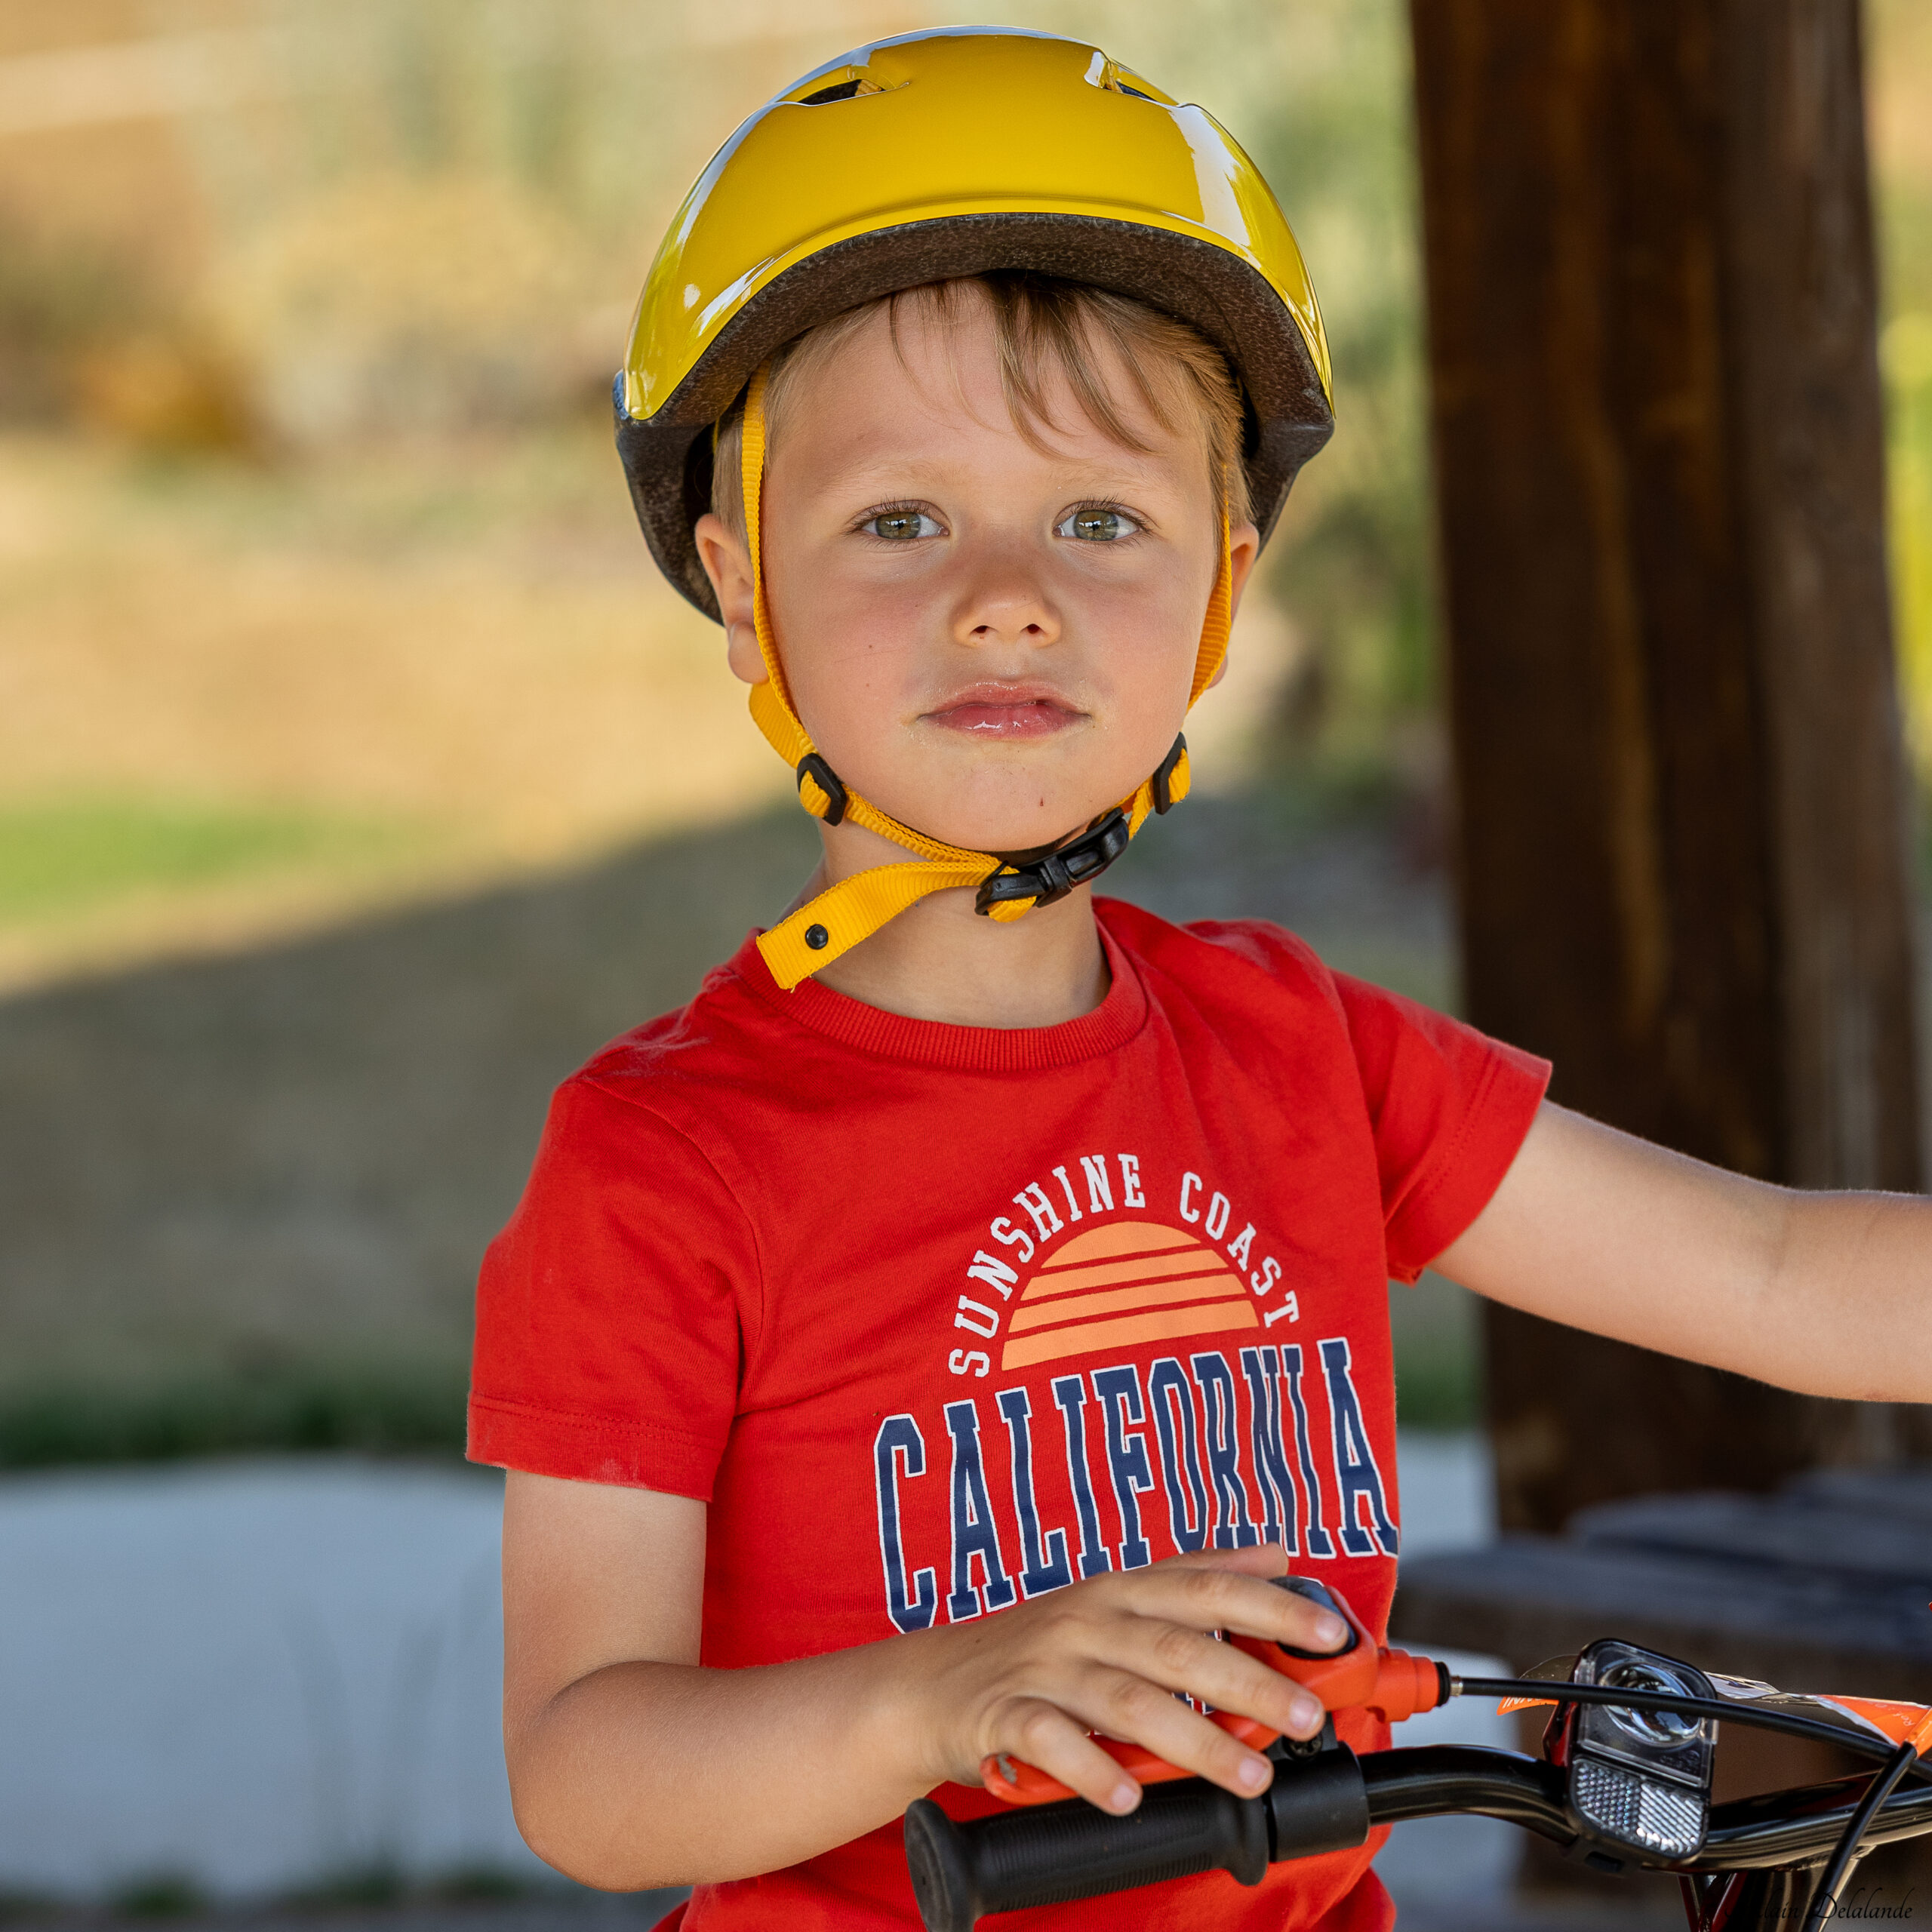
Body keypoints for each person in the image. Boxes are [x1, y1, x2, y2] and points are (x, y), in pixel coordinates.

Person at [467, 29, 1932, 1931]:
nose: (1007, 590)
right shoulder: (665, 1158)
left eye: (1100, 519)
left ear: (1222, 585)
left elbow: (1769, 1271)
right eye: (896, 518)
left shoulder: (1295, 1051)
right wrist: (936, 1690)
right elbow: (587, 1767)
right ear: (744, 586)